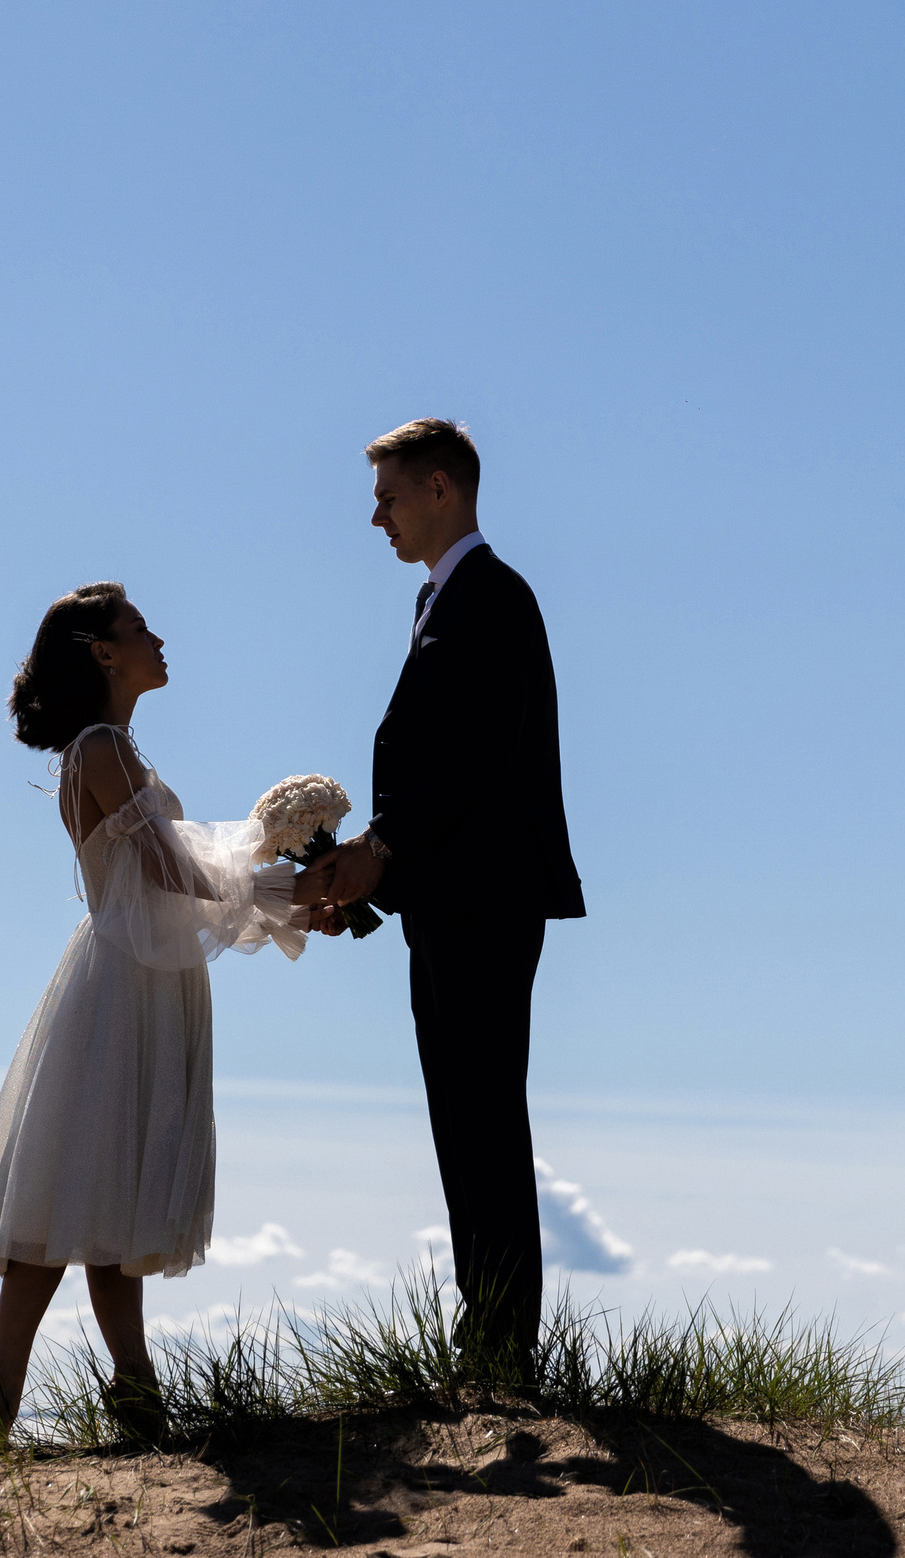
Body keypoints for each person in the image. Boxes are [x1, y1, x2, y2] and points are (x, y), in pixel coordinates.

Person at [0, 583, 311, 1439]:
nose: (158, 638)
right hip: (123, 982)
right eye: (139, 627)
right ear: (103, 652)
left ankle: (119, 1383)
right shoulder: (102, 745)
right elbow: (168, 870)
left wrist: (281, 882)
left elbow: (176, 864)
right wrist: (286, 890)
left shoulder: (115, 747)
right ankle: (44, 1376)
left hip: (146, 975)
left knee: (110, 1186)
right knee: (81, 1174)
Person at [311, 419, 585, 1376]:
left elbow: (478, 761)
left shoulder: (494, 596)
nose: (375, 517)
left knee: (482, 1117)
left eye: (387, 496)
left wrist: (381, 847)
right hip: (454, 898)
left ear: (440, 489)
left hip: (487, 900)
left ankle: (503, 1349)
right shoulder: (446, 598)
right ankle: (491, 1340)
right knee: (462, 1117)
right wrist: (370, 875)